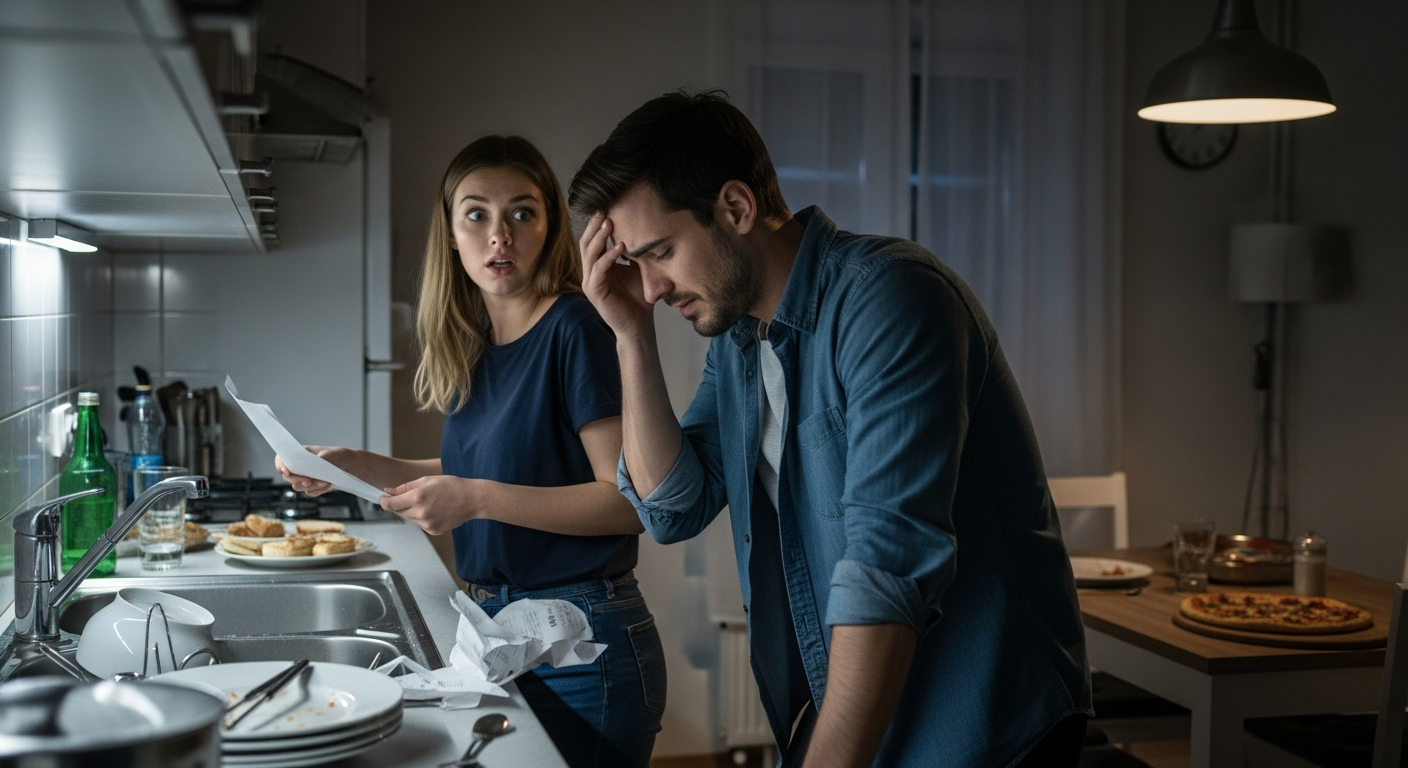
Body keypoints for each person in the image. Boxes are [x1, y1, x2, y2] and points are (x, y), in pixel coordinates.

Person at [567, 91, 1092, 768]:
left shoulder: (892, 299)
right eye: (636, 263)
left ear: (736, 207)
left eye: (660, 251)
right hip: (874, 720)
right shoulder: (738, 344)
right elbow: (672, 508)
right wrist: (629, 335)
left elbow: (886, 564)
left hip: (983, 727)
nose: (651, 287)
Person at [275, 135, 665, 768]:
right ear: (451, 234)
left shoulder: (577, 328)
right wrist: (351, 466)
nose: (499, 235)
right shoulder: (475, 342)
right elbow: (474, 473)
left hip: (582, 643)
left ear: (549, 228)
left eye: (522, 212)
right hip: (497, 631)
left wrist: (475, 499)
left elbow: (626, 502)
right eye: (477, 214)